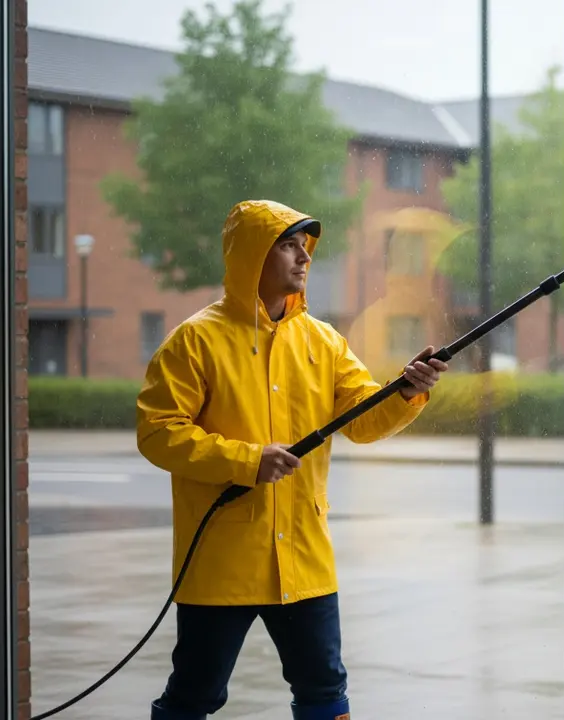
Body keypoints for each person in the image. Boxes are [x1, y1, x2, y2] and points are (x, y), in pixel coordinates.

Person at [135, 199, 450, 720]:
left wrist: (406, 391)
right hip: (220, 561)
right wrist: (247, 461)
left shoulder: (324, 342)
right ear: (250, 254)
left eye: (306, 246)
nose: (303, 257)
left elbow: (364, 421)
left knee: (325, 690)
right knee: (195, 694)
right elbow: (157, 433)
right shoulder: (194, 341)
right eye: (288, 244)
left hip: (303, 559)